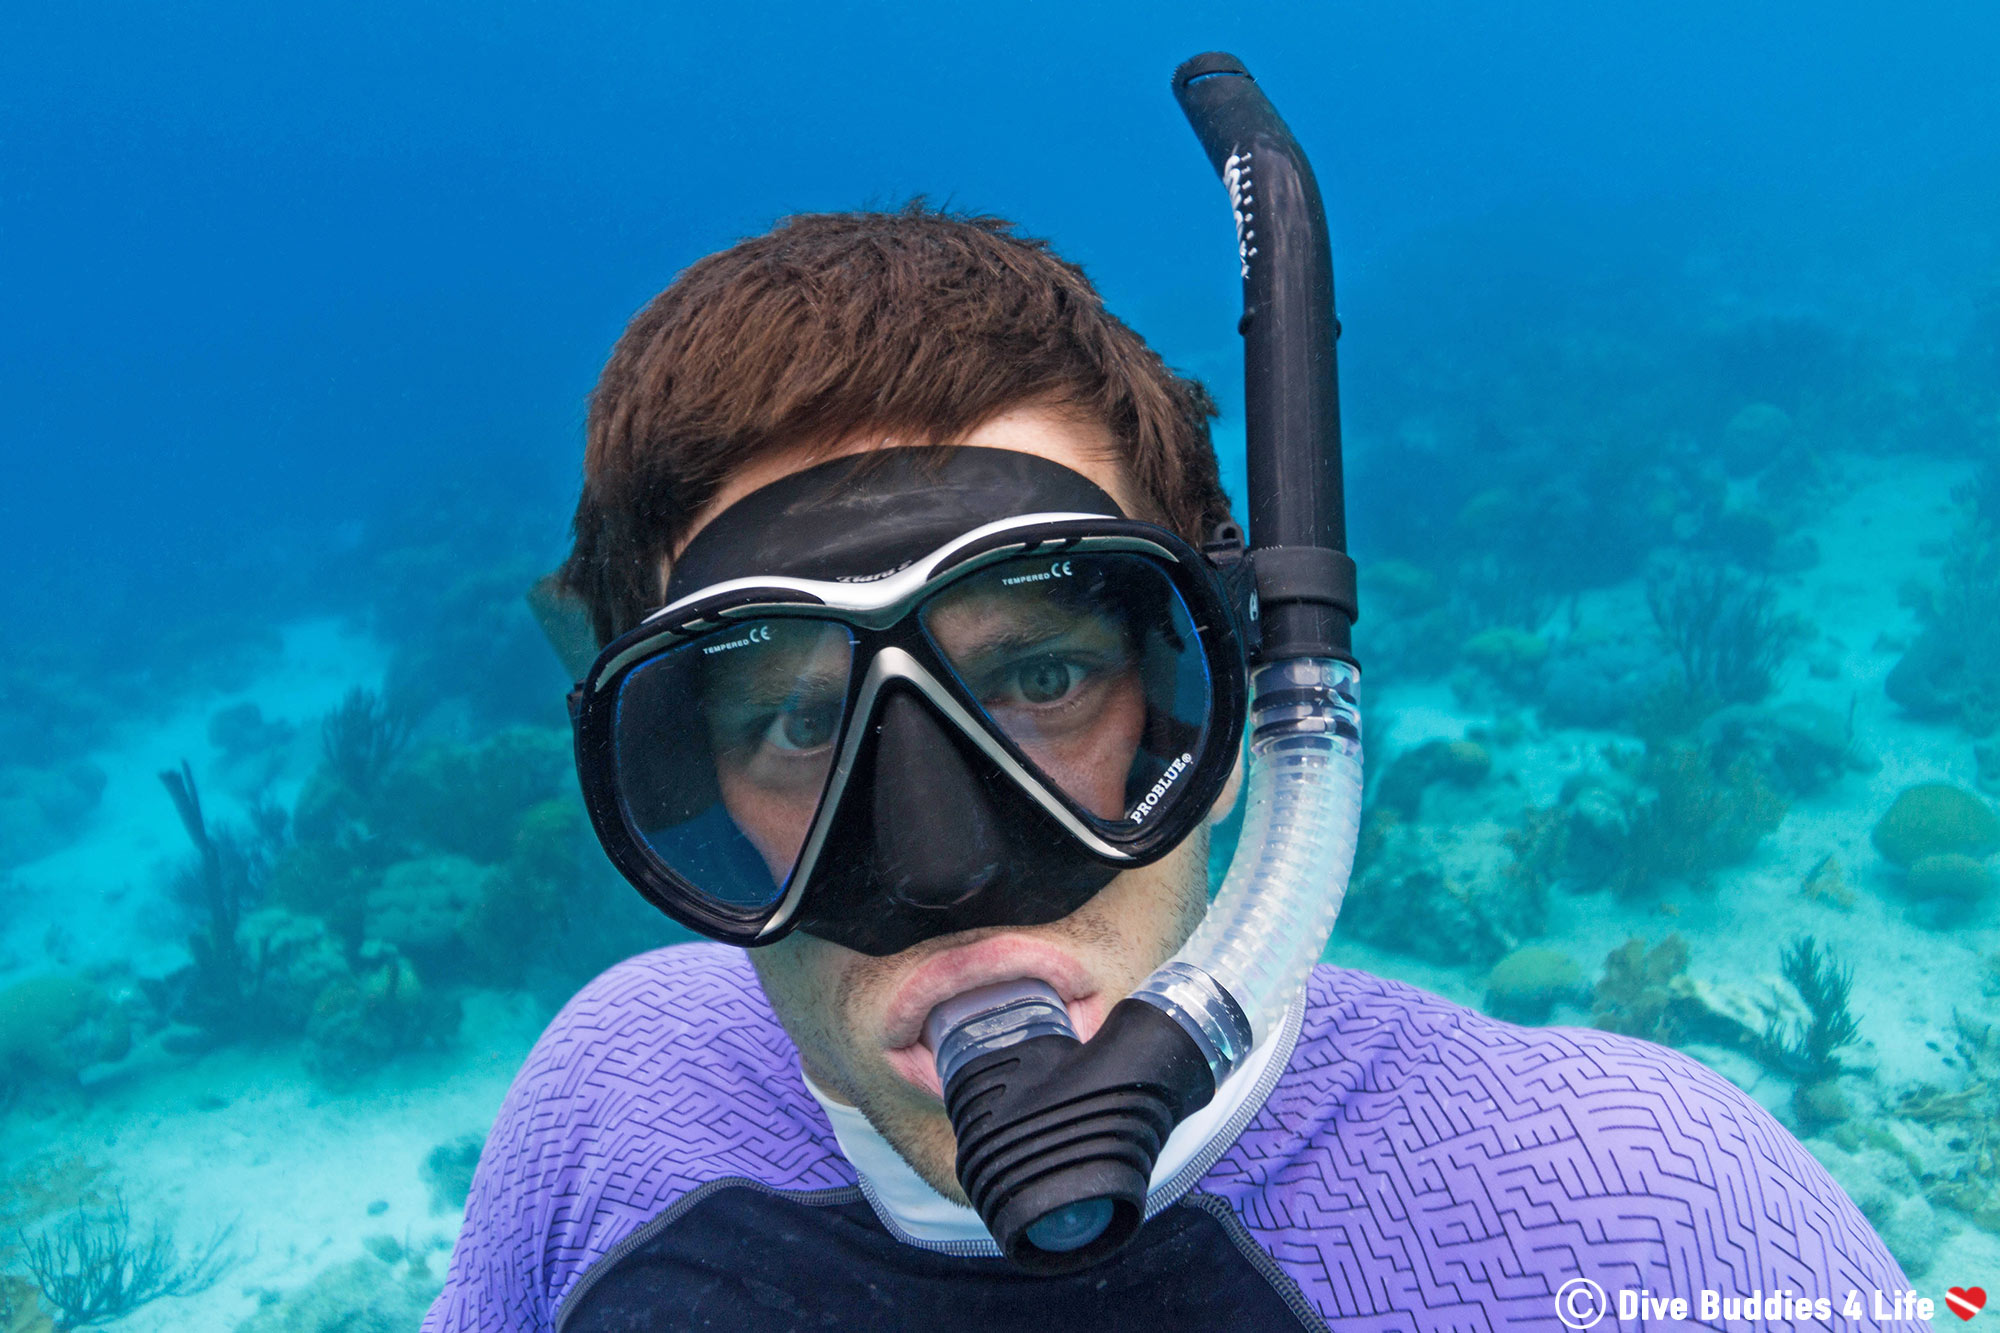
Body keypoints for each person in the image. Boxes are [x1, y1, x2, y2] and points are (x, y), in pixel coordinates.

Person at [423, 206, 1921, 1332]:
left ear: (1230, 701)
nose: (942, 866)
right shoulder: (608, 1101)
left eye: (1045, 674)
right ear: (681, 781)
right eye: (803, 725)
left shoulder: (1642, 1213)